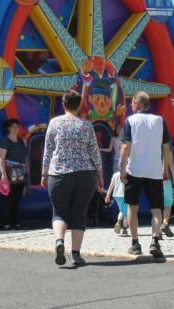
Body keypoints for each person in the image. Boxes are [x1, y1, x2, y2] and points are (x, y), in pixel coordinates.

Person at [42, 90, 103, 266]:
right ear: (79, 105)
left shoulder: (54, 124)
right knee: (79, 212)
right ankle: (76, 253)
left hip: (59, 174)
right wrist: (99, 175)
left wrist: (44, 173)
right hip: (85, 174)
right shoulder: (86, 126)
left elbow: (48, 151)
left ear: (63, 104)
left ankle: (59, 241)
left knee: (59, 212)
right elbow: (94, 152)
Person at [119, 91, 174, 258]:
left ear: (135, 103)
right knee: (156, 209)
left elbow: (125, 147)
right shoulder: (159, 121)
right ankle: (155, 241)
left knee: (132, 207)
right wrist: (165, 170)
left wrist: (121, 169)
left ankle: (135, 244)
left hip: (134, 170)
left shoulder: (130, 120)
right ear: (148, 104)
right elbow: (167, 149)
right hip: (154, 171)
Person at [0, 118, 28, 230]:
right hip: (8, 173)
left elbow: (24, 157)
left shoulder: (21, 141)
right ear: (8, 128)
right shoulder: (4, 141)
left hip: (20, 174)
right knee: (7, 199)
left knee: (17, 198)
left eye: (17, 126)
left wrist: (26, 172)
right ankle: (5, 222)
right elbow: (0, 158)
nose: (16, 129)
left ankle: (15, 222)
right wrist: (3, 175)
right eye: (13, 127)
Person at [160, 145, 174, 238]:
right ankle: (165, 223)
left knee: (156, 204)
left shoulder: (149, 140)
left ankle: (156, 231)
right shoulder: (167, 144)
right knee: (167, 202)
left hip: (152, 178)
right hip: (165, 178)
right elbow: (171, 162)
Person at [104, 170, 129, 236]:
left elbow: (111, 186)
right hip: (125, 194)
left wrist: (107, 196)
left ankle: (118, 222)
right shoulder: (128, 173)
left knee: (122, 210)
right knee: (126, 213)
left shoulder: (115, 174)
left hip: (116, 195)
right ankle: (124, 229)